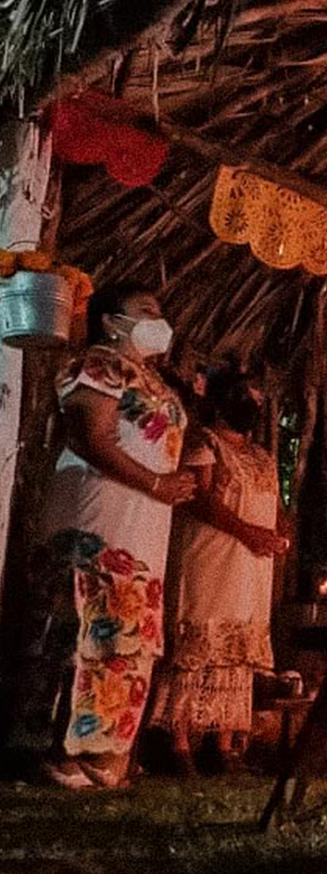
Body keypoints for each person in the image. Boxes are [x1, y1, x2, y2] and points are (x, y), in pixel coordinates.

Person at [13, 285, 196, 788]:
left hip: (142, 518)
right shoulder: (98, 364)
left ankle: (100, 749)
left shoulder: (153, 379)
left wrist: (165, 487)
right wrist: (158, 482)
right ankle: (56, 750)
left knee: (123, 628)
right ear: (111, 321)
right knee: (79, 623)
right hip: (98, 508)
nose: (158, 318)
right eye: (146, 310)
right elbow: (91, 437)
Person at [148, 361, 288, 772]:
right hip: (213, 557)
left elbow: (276, 506)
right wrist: (245, 530)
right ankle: (180, 743)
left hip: (252, 563)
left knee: (237, 649)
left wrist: (280, 531)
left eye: (259, 397)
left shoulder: (262, 456)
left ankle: (224, 742)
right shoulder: (204, 443)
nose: (255, 402)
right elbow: (198, 497)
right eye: (246, 394)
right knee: (201, 643)